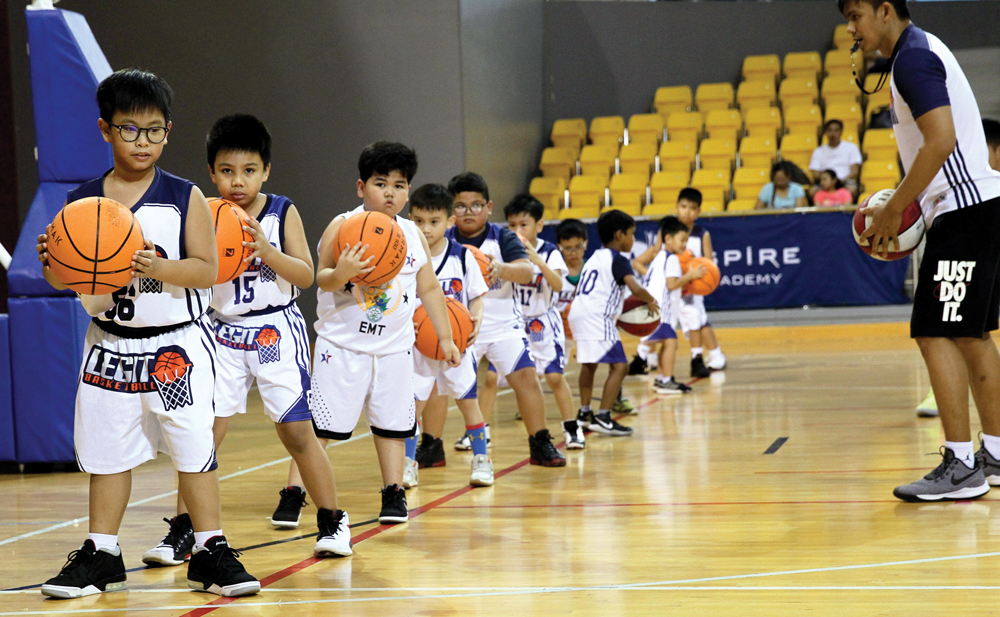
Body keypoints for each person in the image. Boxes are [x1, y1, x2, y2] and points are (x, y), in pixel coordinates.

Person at [35, 69, 258, 598]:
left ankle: (210, 549)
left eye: (154, 130)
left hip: (174, 346)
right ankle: (101, 554)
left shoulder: (185, 197)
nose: (143, 141)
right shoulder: (82, 203)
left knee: (193, 448)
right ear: (105, 129)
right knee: (107, 453)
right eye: (130, 130)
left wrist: (155, 268)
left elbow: (207, 270)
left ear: (168, 131)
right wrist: (52, 262)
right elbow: (64, 279)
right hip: (110, 344)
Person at [141, 114, 351, 564]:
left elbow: (308, 275)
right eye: (228, 171)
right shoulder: (202, 212)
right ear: (212, 173)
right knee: (201, 436)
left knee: (296, 432)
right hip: (220, 332)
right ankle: (184, 531)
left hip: (276, 330)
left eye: (249, 170)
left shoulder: (281, 210)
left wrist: (268, 252)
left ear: (266, 171)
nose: (238, 181)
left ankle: (333, 519)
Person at [843, 0, 1000, 501]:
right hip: (976, 206)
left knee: (935, 330)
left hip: (965, 209)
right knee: (972, 335)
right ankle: (995, 454)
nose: (850, 28)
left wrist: (895, 209)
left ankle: (960, 465)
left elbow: (941, 141)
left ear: (885, 10)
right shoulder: (916, 53)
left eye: (855, 16)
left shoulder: (912, 56)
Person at [309, 142, 461, 524]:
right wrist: (342, 273)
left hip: (394, 349)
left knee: (393, 427)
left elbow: (428, 289)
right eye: (381, 183)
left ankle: (393, 493)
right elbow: (321, 278)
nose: (391, 192)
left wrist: (445, 338)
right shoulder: (341, 225)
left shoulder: (412, 234)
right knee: (320, 429)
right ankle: (296, 491)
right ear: (361, 187)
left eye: (400, 184)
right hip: (341, 347)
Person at [425, 172, 565, 467]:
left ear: (488, 207)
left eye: (476, 205)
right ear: (452, 212)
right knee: (437, 385)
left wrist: (500, 269)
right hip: (458, 327)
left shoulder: (503, 237)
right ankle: (431, 446)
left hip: (502, 324)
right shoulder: (443, 239)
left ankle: (540, 442)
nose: (468, 212)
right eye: (460, 206)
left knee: (526, 377)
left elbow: (526, 271)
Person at [403, 184, 493, 487]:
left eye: (434, 222)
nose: (425, 230)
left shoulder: (463, 257)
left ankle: (481, 459)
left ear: (449, 222)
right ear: (408, 218)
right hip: (419, 346)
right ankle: (407, 463)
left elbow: (477, 296)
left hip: (456, 345)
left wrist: (476, 318)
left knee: (468, 401)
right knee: (411, 408)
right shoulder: (403, 257)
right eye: (418, 221)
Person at [914, 118, 1000, 418]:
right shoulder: (963, 193)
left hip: (980, 232)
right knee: (957, 328)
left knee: (959, 331)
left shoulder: (980, 195)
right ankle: (939, 392)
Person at [504, 194, 585, 449]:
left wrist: (537, 261)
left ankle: (572, 427)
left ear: (538, 225)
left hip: (544, 321)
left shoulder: (550, 251)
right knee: (494, 379)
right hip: (515, 322)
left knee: (553, 378)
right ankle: (478, 433)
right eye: (512, 225)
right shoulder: (506, 250)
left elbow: (559, 284)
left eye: (523, 225)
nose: (518, 231)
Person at [568, 210, 659, 437]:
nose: (632, 239)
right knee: (620, 366)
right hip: (598, 317)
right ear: (619, 235)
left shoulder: (594, 259)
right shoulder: (618, 259)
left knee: (589, 365)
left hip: (578, 312)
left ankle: (585, 413)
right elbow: (635, 288)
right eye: (631, 234)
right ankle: (604, 416)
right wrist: (651, 301)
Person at [631, 189, 727, 378]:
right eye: (683, 207)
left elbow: (709, 265)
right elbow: (652, 258)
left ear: (698, 211)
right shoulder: (666, 233)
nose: (687, 212)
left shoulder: (702, 235)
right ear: (676, 207)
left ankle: (697, 359)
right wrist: (656, 277)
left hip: (690, 288)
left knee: (696, 321)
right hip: (670, 288)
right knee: (659, 323)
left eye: (692, 208)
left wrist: (695, 278)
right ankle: (644, 358)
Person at [646, 217, 707, 394]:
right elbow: (672, 285)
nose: (685, 245)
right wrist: (691, 275)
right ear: (668, 239)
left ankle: (660, 378)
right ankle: (666, 380)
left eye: (687, 241)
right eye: (682, 240)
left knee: (666, 344)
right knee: (671, 342)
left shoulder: (659, 257)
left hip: (654, 309)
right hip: (662, 311)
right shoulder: (671, 258)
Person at [808, 119, 863, 199]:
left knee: (851, 190)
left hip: (844, 181)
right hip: (825, 182)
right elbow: (816, 174)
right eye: (830, 130)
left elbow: (854, 172)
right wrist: (827, 181)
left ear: (841, 132)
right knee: (813, 191)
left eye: (836, 130)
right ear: (826, 132)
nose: (832, 134)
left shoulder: (851, 147)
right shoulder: (818, 151)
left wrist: (838, 182)